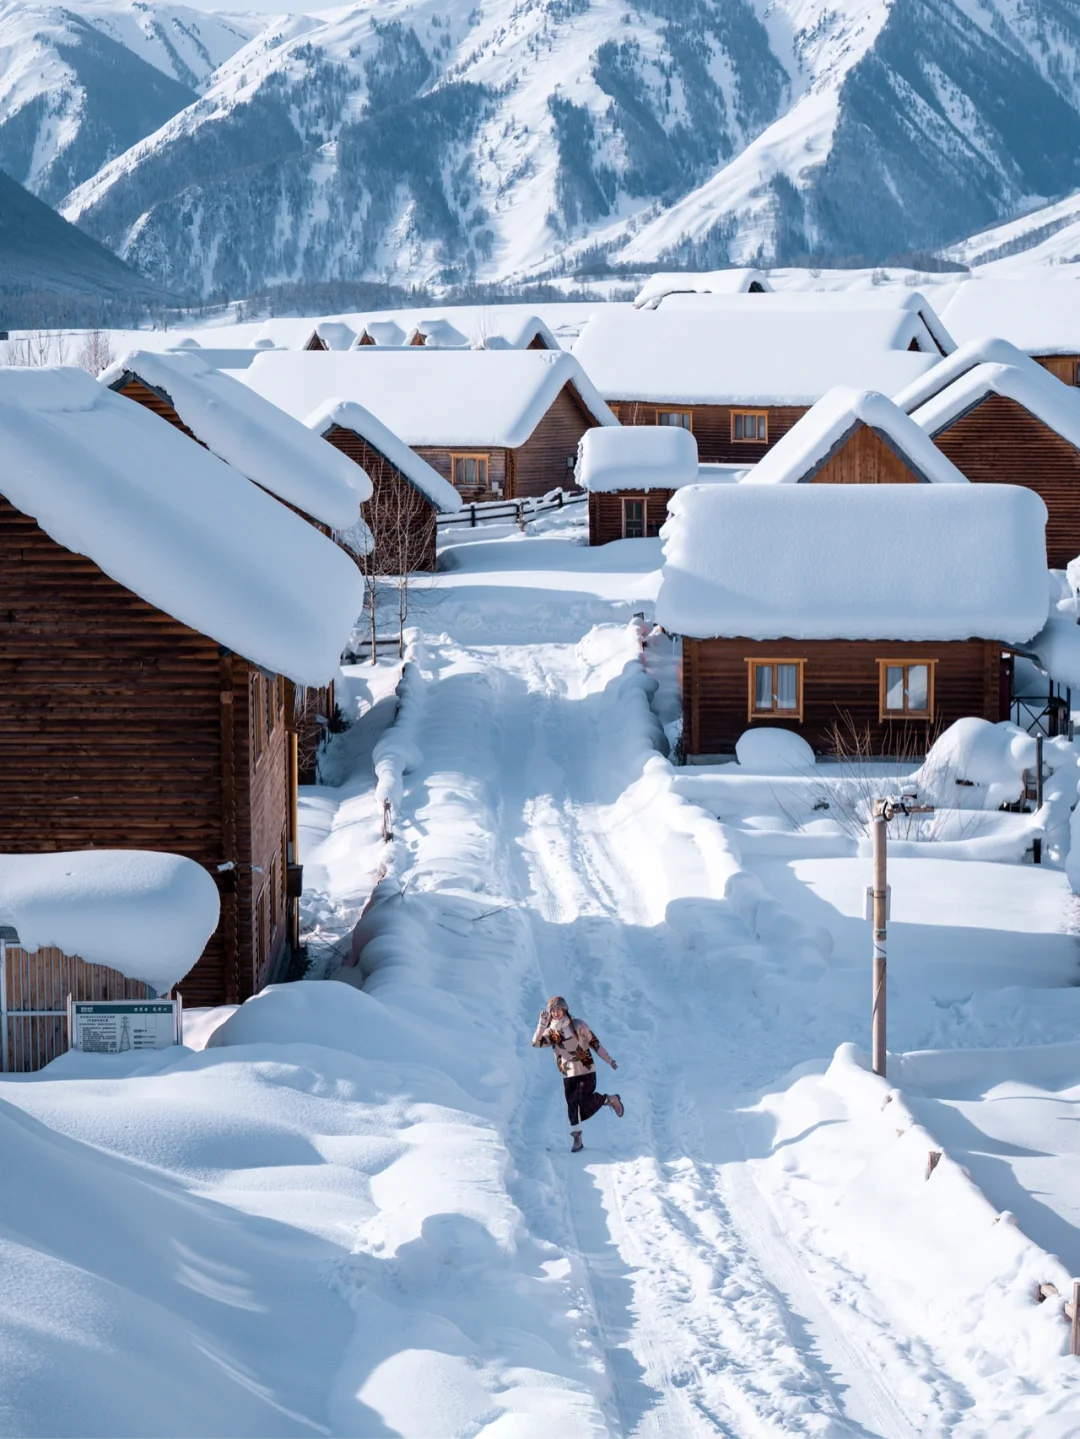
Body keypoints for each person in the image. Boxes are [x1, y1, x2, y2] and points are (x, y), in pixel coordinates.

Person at [532, 995, 624, 1152]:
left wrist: (609, 1060)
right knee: (572, 1105)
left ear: (565, 1009)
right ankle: (577, 1139)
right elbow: (536, 1043)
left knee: (583, 1101)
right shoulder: (551, 1033)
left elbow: (594, 1043)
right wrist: (541, 1024)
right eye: (552, 1010)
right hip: (568, 1073)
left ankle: (610, 1099)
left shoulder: (578, 1025)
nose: (555, 1013)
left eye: (558, 1009)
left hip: (586, 1070)